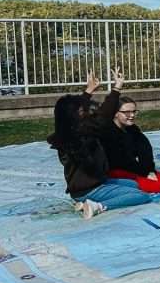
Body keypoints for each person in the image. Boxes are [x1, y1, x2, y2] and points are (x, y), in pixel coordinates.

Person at [49, 71, 152, 219]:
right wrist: (116, 89)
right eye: (81, 111)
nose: (85, 111)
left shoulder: (67, 132)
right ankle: (97, 206)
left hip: (90, 186)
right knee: (141, 195)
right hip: (89, 189)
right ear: (74, 116)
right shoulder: (82, 135)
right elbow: (104, 115)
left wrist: (89, 90)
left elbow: (85, 111)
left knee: (134, 185)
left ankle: (84, 203)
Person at [95, 70, 160, 193]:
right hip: (115, 173)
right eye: (127, 112)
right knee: (144, 183)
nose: (131, 115)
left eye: (134, 111)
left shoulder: (133, 130)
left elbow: (145, 151)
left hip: (133, 169)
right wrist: (117, 87)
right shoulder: (108, 132)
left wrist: (150, 171)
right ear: (115, 114)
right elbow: (123, 161)